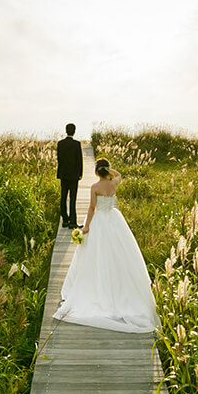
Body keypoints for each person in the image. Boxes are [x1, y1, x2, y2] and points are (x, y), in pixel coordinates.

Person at [53, 157, 159, 334]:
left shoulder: (95, 187)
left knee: (95, 255)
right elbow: (119, 174)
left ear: (96, 172)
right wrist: (110, 171)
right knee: (118, 255)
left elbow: (92, 209)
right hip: (114, 219)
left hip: (99, 222)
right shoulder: (114, 182)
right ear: (107, 171)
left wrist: (86, 226)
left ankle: (98, 288)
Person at [56, 123, 83, 229]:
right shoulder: (77, 144)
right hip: (74, 175)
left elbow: (59, 159)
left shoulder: (60, 143)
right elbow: (79, 160)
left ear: (65, 131)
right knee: (72, 198)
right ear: (74, 131)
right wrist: (80, 173)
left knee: (63, 197)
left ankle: (65, 220)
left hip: (63, 174)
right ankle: (72, 222)